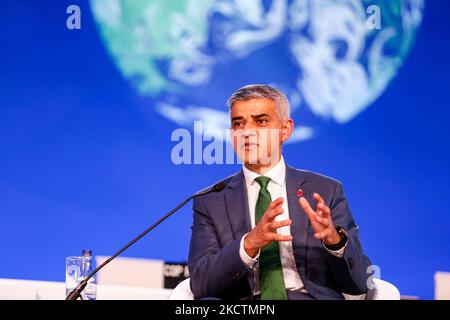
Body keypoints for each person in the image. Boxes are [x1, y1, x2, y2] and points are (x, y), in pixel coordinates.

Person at [188, 84, 372, 300]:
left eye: (261, 121)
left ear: (285, 130)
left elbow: (361, 282)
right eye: (238, 123)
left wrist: (335, 242)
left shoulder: (326, 191)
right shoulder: (211, 200)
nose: (247, 132)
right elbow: (201, 283)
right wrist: (249, 243)